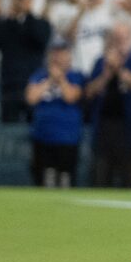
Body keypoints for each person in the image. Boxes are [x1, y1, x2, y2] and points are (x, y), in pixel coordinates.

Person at [84, 22, 131, 189]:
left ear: (130, 39)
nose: (120, 42)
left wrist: (118, 69)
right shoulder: (101, 62)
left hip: (128, 125)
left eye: (123, 38)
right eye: (117, 38)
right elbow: (89, 91)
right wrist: (106, 74)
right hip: (104, 125)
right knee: (101, 175)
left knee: (129, 175)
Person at [0, 0, 51, 123]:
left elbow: (40, 38)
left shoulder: (40, 23)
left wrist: (28, 14)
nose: (21, 2)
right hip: (10, 83)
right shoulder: (7, 24)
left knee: (34, 123)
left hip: (34, 83)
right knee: (8, 127)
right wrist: (11, 17)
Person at [26, 40, 84, 187]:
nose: (58, 57)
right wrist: (50, 79)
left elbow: (71, 96)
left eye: (62, 53)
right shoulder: (40, 75)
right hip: (42, 135)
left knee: (65, 178)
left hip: (67, 137)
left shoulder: (75, 76)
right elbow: (31, 98)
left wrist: (61, 79)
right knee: (44, 179)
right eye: (55, 53)